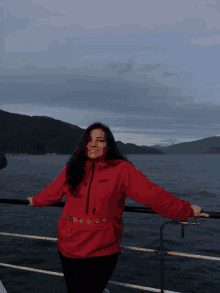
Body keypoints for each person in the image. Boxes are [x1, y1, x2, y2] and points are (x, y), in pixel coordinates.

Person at [27, 122, 209, 293]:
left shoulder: (122, 170)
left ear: (108, 144)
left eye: (99, 140)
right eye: (89, 140)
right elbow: (53, 192)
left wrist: (185, 211)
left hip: (101, 248)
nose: (93, 144)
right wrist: (35, 200)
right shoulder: (73, 168)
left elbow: (152, 194)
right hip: (68, 245)